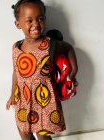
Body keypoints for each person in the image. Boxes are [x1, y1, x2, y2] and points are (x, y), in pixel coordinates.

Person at [6, 0, 78, 140]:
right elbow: (16, 71)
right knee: (24, 132)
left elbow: (68, 48)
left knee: (42, 135)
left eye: (40, 19)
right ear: (18, 24)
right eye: (29, 20)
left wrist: (74, 70)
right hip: (23, 99)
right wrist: (12, 95)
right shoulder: (16, 47)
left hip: (44, 100)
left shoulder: (50, 44)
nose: (36, 24)